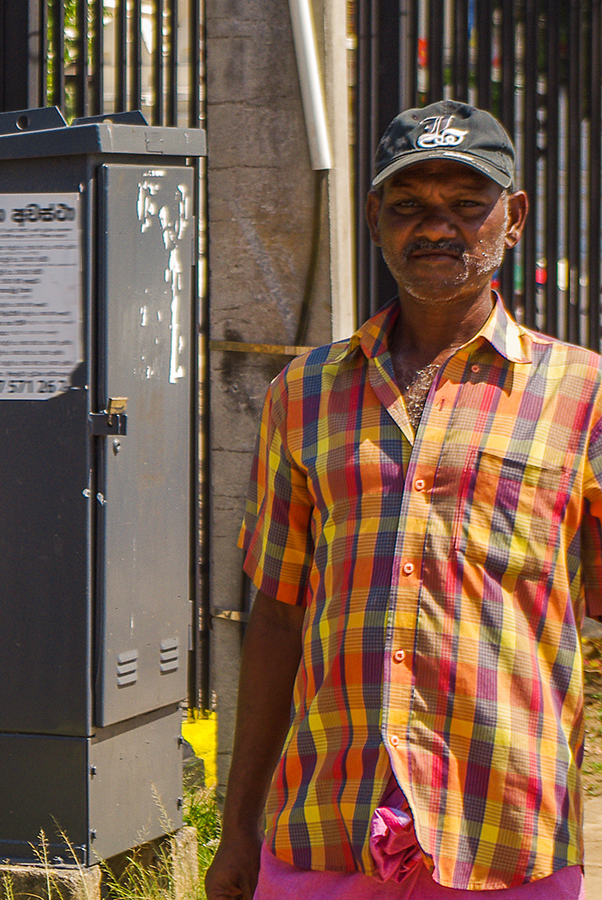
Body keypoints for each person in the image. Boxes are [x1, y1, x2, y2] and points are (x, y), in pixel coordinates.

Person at [207, 100, 602, 899]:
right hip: (327, 827)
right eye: (411, 205)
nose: (436, 227)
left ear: (514, 217)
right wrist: (237, 825)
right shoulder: (304, 395)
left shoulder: (582, 396)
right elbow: (279, 613)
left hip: (506, 833)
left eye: (466, 204)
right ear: (376, 218)